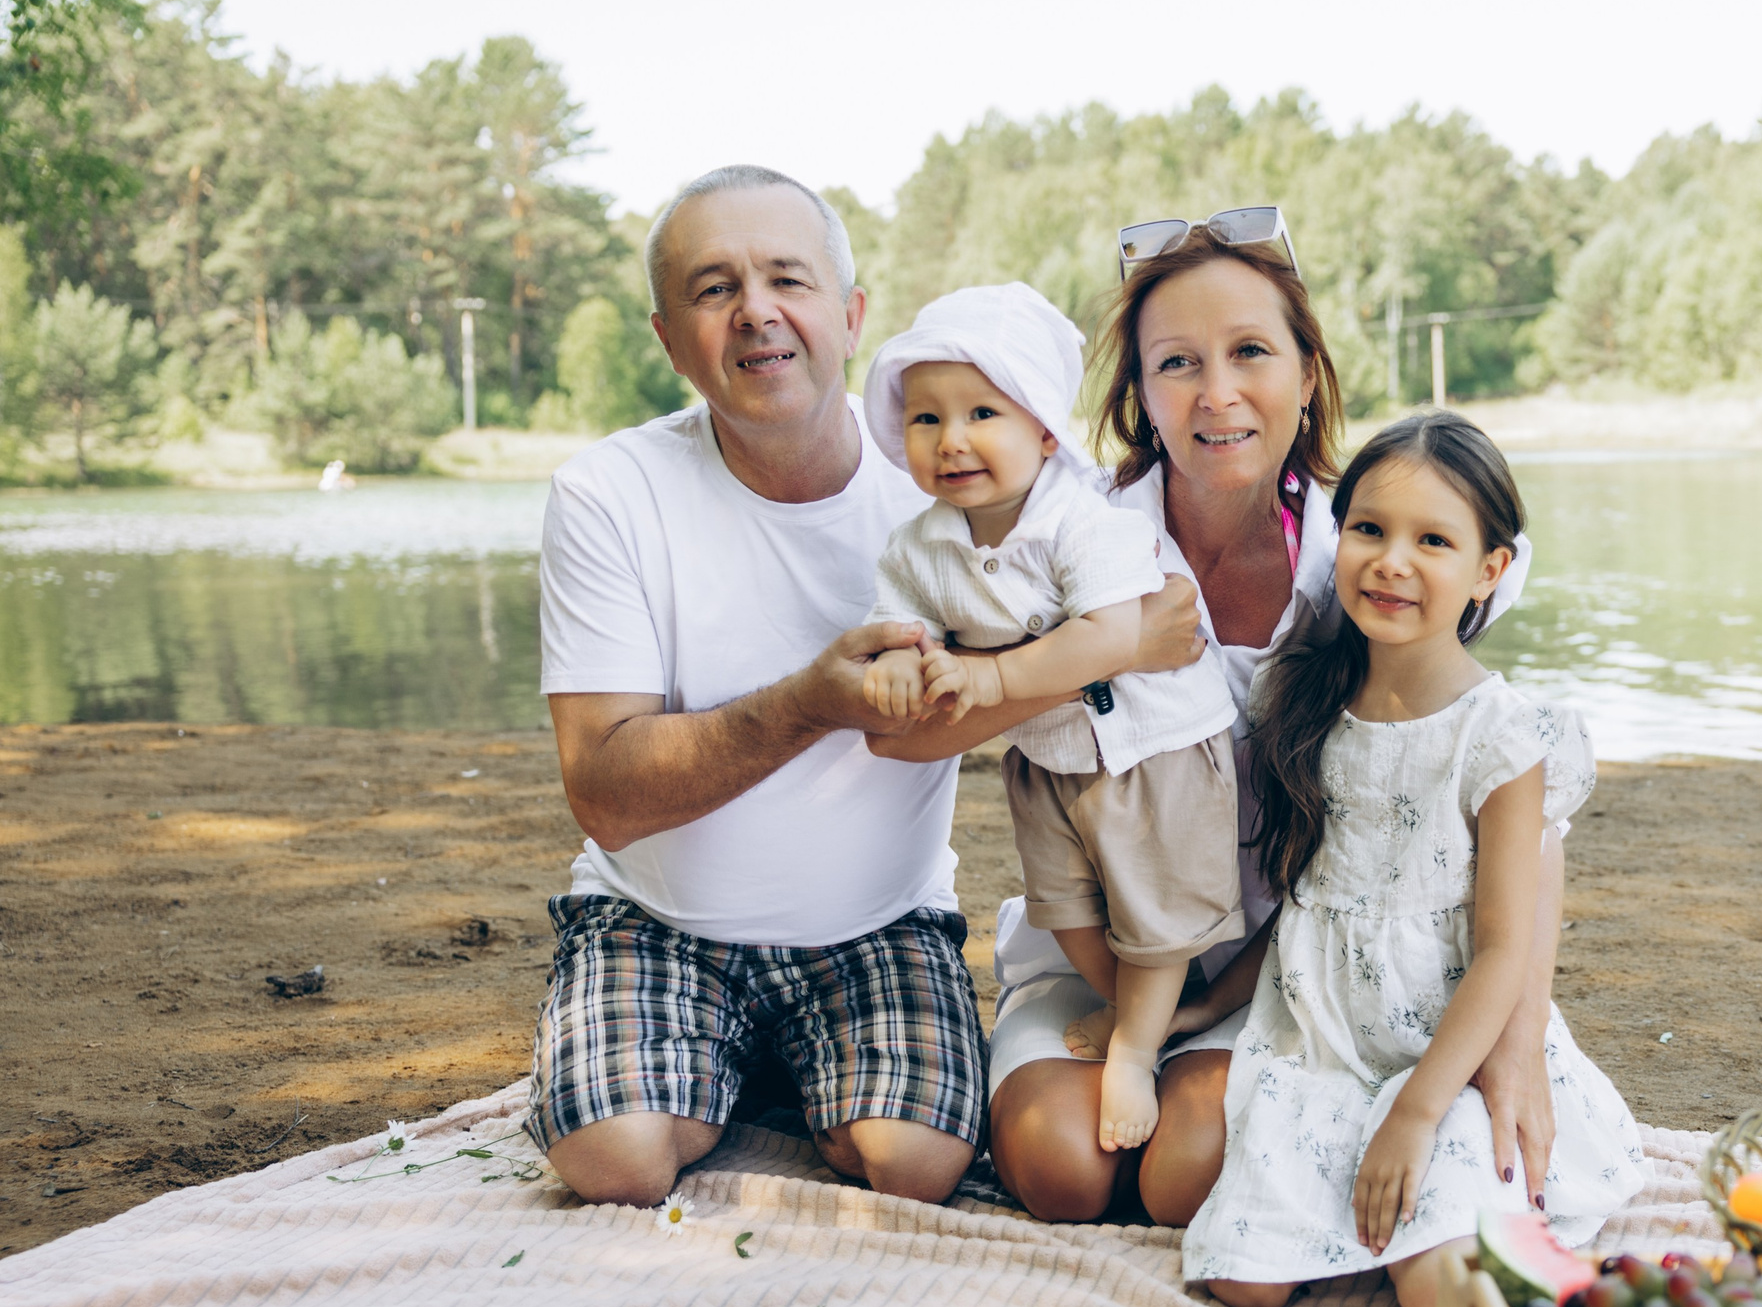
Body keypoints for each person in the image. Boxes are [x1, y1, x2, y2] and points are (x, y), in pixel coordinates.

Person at [872, 211, 1566, 1232]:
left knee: (1183, 1176)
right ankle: (1123, 1054)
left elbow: (1513, 792)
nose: (1217, 394)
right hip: (1095, 944)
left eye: (1250, 352)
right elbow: (906, 735)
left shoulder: (1374, 553)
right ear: (1139, 397)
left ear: (1307, 371)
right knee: (1060, 1171)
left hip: (1275, 959)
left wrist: (1517, 1039)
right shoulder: (1068, 534)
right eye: (1176, 364)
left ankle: (1199, 1068)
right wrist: (1113, 650)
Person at [530, 163, 989, 1210]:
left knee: (914, 1166)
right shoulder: (608, 493)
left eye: (787, 277)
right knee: (616, 1159)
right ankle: (699, 1051)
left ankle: (777, 1066)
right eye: (712, 288)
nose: (755, 314)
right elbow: (603, 791)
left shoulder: (948, 494)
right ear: (668, 337)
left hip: (880, 919)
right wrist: (810, 702)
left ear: (851, 313)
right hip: (656, 918)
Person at [1182, 414, 1644, 1307]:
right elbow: (1305, 903)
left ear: (1490, 569)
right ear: (1336, 537)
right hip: (1319, 1038)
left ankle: (1493, 1227)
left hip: (1451, 1052)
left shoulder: (1504, 736)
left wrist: (1418, 1113)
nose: (1393, 561)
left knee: (1438, 1298)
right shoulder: (1304, 700)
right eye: (1370, 530)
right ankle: (1360, 1195)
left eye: (1433, 540)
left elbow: (1506, 949)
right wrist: (1198, 1008)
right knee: (1245, 1281)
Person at [857, 283, 1243, 1154]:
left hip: (1155, 749)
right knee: (1065, 910)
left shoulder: (1085, 518)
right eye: (926, 419)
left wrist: (990, 681)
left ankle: (1138, 1050)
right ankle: (1139, 1012)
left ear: (1041, 429)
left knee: (1157, 914)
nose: (951, 439)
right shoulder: (917, 546)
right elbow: (903, 627)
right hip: (1048, 761)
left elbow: (1112, 636)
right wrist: (891, 664)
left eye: (982, 412)